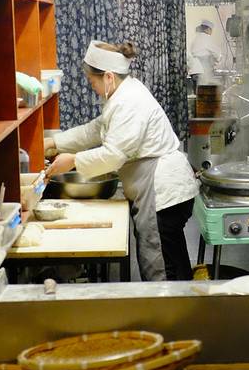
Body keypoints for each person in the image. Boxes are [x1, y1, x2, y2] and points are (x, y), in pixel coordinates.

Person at [44, 40, 199, 281]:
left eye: (92, 82)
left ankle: (169, 305)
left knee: (162, 269)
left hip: (162, 192)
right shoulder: (123, 95)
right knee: (173, 261)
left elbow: (113, 156)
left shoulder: (129, 102)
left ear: (108, 77)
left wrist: (73, 160)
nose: (93, 88)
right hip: (160, 190)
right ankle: (183, 302)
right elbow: (94, 130)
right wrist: (54, 142)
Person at [189, 19, 221, 87]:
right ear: (208, 29)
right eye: (211, 30)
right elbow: (217, 53)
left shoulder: (196, 38)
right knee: (204, 88)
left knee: (197, 89)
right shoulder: (206, 38)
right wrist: (218, 59)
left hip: (194, 70)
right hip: (203, 70)